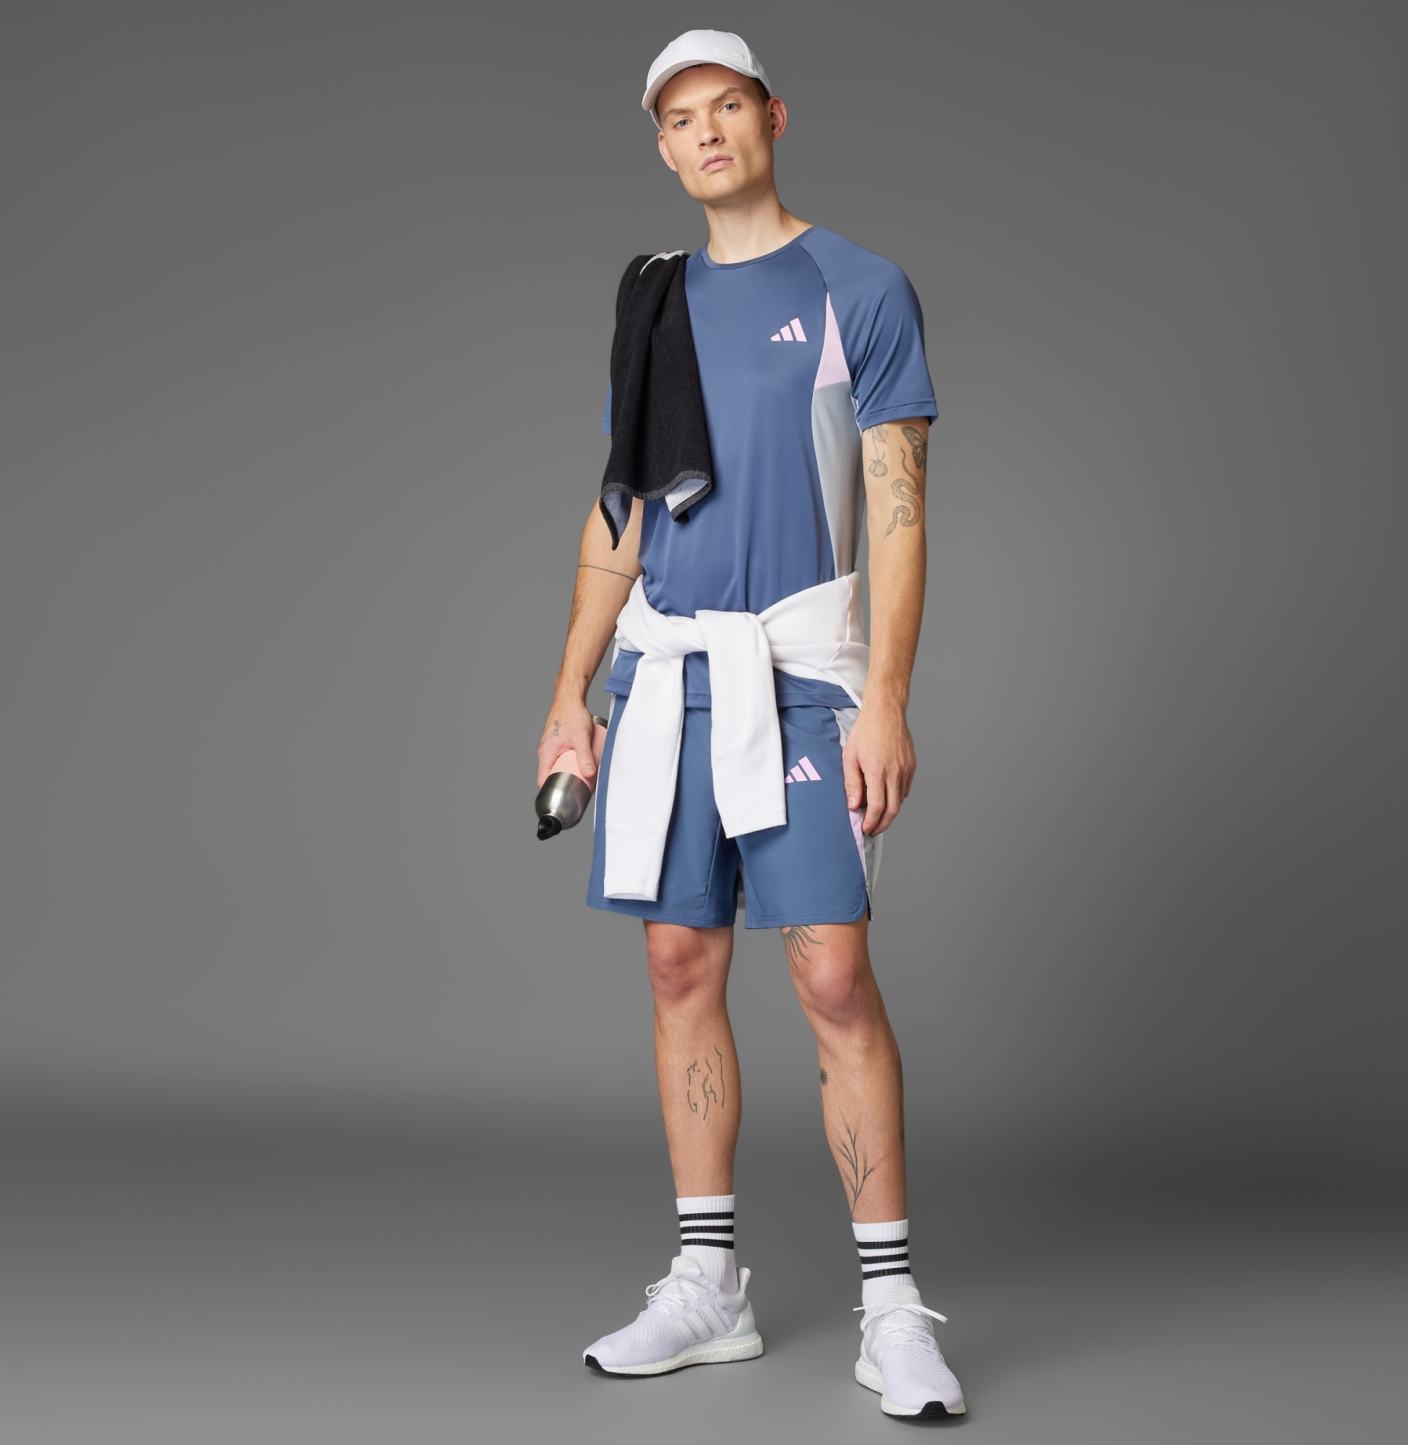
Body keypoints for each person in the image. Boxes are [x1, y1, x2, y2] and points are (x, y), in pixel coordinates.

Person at [535, 29, 966, 1420]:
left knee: (831, 975)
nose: (707, 131)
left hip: (804, 669)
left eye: (728, 106)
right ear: (662, 147)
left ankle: (891, 1308)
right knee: (678, 963)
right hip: (666, 676)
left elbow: (897, 512)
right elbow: (620, 510)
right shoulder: (651, 299)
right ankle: (707, 1282)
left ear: (773, 116)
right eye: (681, 118)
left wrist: (887, 700)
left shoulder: (860, 288)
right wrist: (567, 695)